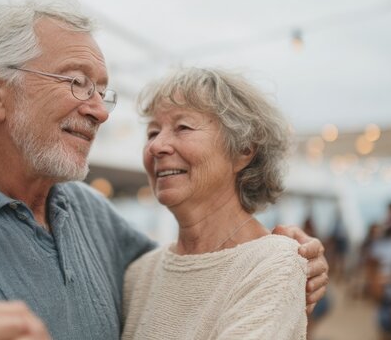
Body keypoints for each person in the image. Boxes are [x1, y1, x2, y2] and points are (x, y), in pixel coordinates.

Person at [0, 0, 328, 340]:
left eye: (102, 91)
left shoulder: (88, 214)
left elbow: (200, 269)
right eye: (77, 82)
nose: (99, 110)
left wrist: (284, 256)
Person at [122, 68, 307, 339]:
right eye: (152, 132)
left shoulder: (273, 264)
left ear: (243, 150)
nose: (156, 146)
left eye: (182, 127)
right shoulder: (139, 275)